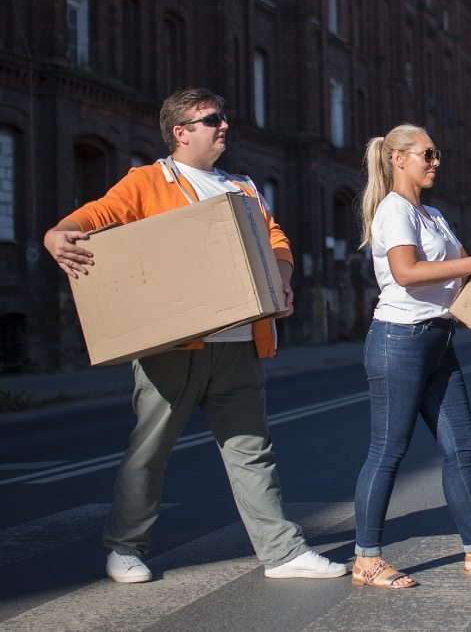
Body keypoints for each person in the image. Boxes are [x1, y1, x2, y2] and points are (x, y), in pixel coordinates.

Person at [43, 88, 347, 583]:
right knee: (150, 452)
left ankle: (282, 552)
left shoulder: (242, 186)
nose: (223, 125)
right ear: (181, 133)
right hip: (175, 348)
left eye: (224, 117)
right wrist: (59, 231)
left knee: (253, 452)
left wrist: (282, 278)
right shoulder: (149, 180)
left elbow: (275, 238)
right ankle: (124, 548)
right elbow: (100, 213)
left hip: (241, 345)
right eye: (211, 119)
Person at [351, 123, 471, 589]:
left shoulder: (431, 213)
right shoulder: (394, 211)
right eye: (427, 155)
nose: (436, 162)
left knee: (461, 445)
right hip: (399, 340)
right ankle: (367, 558)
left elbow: (459, 274)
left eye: (436, 155)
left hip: (438, 340)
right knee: (388, 451)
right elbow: (406, 272)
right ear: (398, 159)